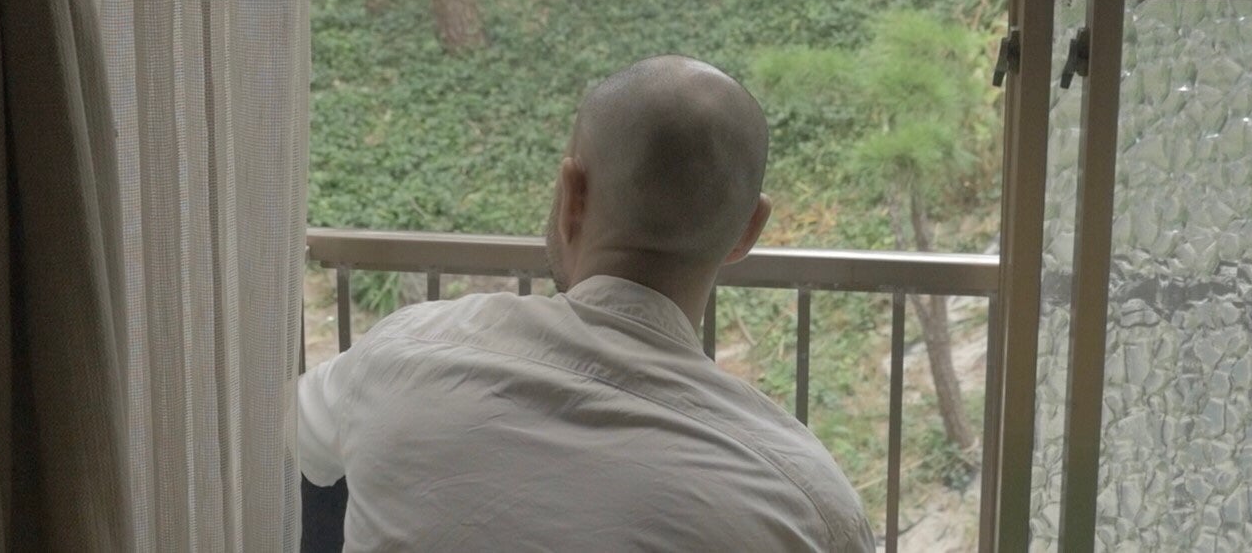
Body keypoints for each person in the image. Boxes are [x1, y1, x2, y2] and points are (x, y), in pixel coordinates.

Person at [298, 56, 876, 552]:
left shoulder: (400, 355)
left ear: (572, 195)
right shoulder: (808, 507)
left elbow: (287, 441)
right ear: (749, 229)